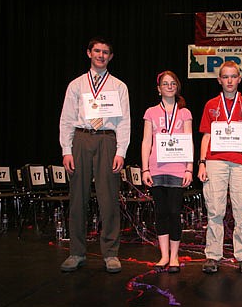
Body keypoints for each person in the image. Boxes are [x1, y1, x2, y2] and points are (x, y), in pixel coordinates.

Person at [59, 36, 131, 273]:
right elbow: (67, 119)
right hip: (81, 138)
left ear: (111, 57)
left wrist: (121, 151)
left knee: (109, 197)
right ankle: (76, 252)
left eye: (105, 52)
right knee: (77, 197)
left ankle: (110, 253)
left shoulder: (119, 86)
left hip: (107, 140)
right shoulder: (76, 85)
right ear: (89, 53)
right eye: (97, 51)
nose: (101, 55)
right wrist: (66, 150)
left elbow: (124, 123)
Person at [197, 61, 242, 275]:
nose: (230, 80)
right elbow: (206, 135)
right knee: (215, 209)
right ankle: (213, 255)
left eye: (234, 76)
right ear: (219, 80)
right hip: (215, 161)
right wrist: (202, 162)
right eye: (226, 76)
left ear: (239, 79)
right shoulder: (211, 105)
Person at [141, 71, 193, 274]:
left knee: (174, 212)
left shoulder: (185, 113)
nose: (169, 86)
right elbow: (146, 141)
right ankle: (163, 255)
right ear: (159, 89)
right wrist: (145, 168)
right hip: (156, 169)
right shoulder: (151, 112)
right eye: (165, 83)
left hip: (178, 169)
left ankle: (174, 256)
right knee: (161, 213)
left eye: (173, 83)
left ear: (177, 87)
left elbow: (189, 140)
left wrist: (189, 167)